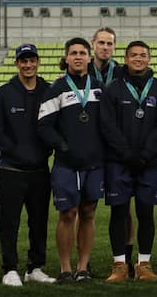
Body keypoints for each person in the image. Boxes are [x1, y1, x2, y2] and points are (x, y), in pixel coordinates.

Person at [99, 41, 157, 282]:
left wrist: (144, 154)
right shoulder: (112, 89)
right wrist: (127, 154)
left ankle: (144, 265)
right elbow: (107, 126)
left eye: (143, 55)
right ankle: (119, 265)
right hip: (119, 162)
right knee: (119, 212)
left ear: (149, 59)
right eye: (134, 55)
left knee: (146, 213)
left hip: (148, 162)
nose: (138, 59)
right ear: (126, 59)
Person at [37, 38, 106, 283]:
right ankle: (65, 268)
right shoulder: (56, 89)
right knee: (68, 213)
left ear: (89, 58)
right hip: (66, 163)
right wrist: (62, 145)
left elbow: (107, 125)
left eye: (82, 53)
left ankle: (83, 267)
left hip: (95, 163)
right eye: (73, 53)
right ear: (66, 58)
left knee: (88, 212)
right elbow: (44, 126)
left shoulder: (98, 88)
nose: (78, 57)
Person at [0, 43, 56, 286]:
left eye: (32, 60)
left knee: (39, 221)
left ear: (38, 62)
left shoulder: (49, 91)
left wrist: (44, 152)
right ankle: (10, 269)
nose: (28, 65)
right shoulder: (3, 94)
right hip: (11, 171)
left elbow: (56, 125)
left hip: (39, 170)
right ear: (16, 63)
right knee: (9, 221)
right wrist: (18, 154)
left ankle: (35, 267)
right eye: (23, 61)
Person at [90, 26, 134, 277]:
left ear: (114, 47)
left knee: (124, 206)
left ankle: (124, 260)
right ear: (93, 44)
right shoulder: (83, 70)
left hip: (117, 148)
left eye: (110, 43)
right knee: (87, 207)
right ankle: (84, 264)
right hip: (92, 147)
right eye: (101, 43)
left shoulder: (123, 72)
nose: (105, 47)